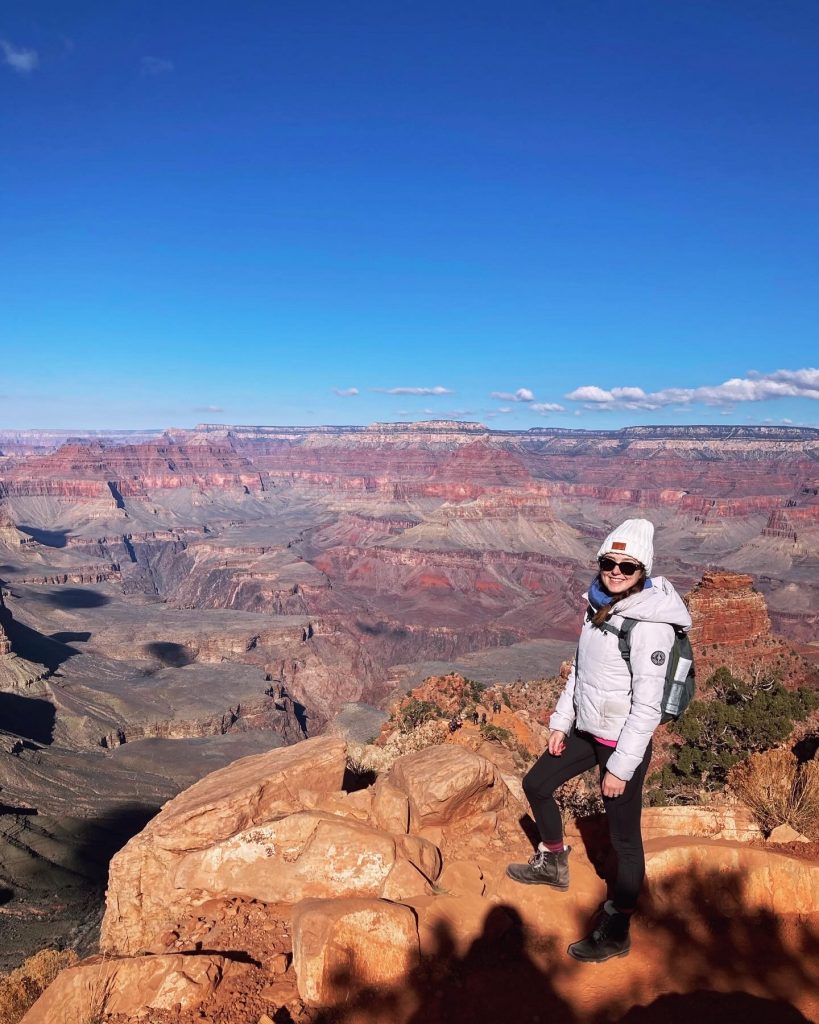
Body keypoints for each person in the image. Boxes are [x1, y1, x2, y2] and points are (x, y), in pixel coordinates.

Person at [506, 518, 691, 963]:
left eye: (626, 567)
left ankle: (618, 924)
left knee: (624, 838)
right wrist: (559, 724)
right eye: (608, 562)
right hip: (588, 729)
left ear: (643, 570)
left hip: (620, 743)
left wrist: (620, 768)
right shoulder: (598, 606)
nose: (615, 571)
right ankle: (553, 861)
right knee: (537, 784)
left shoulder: (650, 627)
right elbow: (579, 675)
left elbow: (647, 707)